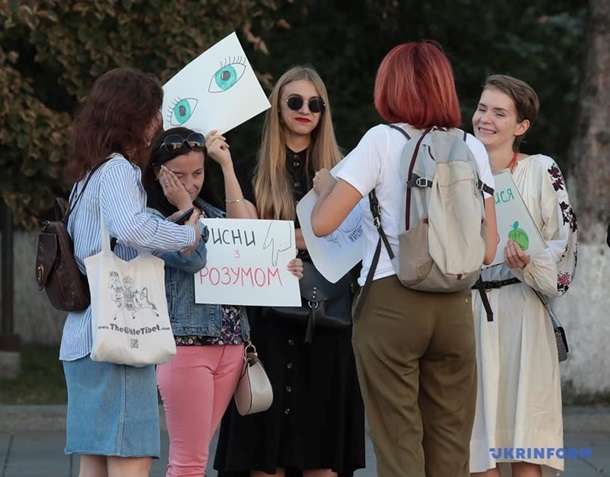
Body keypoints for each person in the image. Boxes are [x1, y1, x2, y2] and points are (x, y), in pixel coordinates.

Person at [310, 41, 498, 477]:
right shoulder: (472, 147)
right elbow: (488, 249)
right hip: (455, 305)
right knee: (452, 444)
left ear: (390, 88)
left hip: (392, 300)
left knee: (399, 442)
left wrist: (325, 189)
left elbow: (322, 224)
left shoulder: (381, 139)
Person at [214, 65, 366, 477]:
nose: (305, 110)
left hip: (327, 321)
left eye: (315, 104)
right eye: (295, 101)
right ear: (278, 107)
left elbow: (359, 239)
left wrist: (288, 236)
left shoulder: (347, 173)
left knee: (321, 455)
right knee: (265, 455)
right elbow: (242, 235)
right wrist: (226, 169)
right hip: (269, 323)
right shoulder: (251, 170)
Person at [60, 68, 202, 477]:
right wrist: (183, 231)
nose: (159, 123)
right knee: (130, 459)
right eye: (154, 113)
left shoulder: (87, 176)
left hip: (83, 337)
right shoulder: (119, 169)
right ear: (135, 117)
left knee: (95, 459)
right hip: (122, 334)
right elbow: (132, 227)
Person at [468, 75, 577, 477]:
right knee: (477, 444)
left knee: (524, 436)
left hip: (522, 309)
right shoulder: (460, 170)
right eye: (482, 108)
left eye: (499, 112)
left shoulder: (540, 170)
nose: (486, 119)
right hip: (472, 311)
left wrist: (528, 260)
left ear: (521, 126)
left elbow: (563, 241)